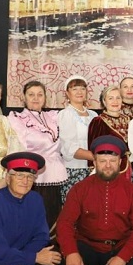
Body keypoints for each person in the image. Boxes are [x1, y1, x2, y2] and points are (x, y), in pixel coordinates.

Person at [56, 136, 133, 265]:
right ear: (94, 162)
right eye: (102, 161)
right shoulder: (80, 189)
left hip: (118, 247)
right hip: (88, 247)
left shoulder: (132, 191)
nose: (107, 165)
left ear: (120, 162)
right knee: (60, 260)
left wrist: (123, 257)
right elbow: (65, 223)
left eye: (112, 161)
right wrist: (71, 252)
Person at [9, 80, 68, 231]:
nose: (36, 98)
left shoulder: (53, 116)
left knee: (55, 216)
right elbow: (19, 146)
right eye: (31, 95)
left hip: (56, 174)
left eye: (40, 94)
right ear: (24, 98)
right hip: (33, 175)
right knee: (35, 217)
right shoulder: (17, 118)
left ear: (45, 98)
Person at [58, 75, 95, 203]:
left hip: (95, 170)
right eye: (74, 89)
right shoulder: (66, 114)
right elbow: (69, 148)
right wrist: (97, 157)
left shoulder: (93, 115)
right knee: (74, 207)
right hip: (74, 169)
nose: (79, 92)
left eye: (82, 88)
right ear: (67, 93)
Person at [86, 85, 132, 174]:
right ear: (104, 101)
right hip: (107, 169)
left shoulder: (128, 119)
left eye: (118, 98)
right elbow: (93, 150)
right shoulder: (98, 121)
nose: (115, 101)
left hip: (128, 168)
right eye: (111, 98)